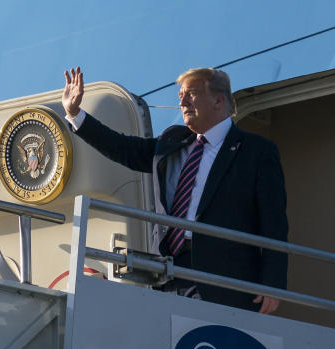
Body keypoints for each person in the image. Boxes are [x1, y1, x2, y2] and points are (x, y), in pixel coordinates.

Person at [62, 66, 288, 314]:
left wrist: (272, 283)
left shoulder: (255, 151)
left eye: (191, 93)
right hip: (169, 276)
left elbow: (273, 221)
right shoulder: (173, 143)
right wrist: (76, 115)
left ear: (218, 100)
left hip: (223, 280)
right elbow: (123, 148)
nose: (182, 100)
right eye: (180, 94)